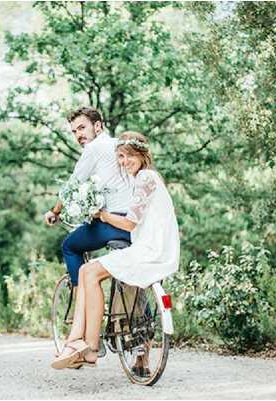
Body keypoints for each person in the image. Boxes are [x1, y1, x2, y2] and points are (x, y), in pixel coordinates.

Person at [51, 131, 180, 370]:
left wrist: (101, 215)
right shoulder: (148, 178)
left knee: (88, 272)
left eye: (129, 155)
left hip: (149, 251)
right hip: (154, 248)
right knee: (89, 271)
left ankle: (89, 347)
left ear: (142, 154)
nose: (124, 161)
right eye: (120, 156)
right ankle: (86, 345)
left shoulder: (146, 178)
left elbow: (129, 223)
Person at [44, 107, 133, 290]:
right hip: (134, 223)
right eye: (75, 131)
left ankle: (81, 300)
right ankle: (142, 315)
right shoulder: (120, 145)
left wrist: (55, 211)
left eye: (82, 128)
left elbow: (72, 186)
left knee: (69, 246)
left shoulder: (94, 148)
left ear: (98, 126)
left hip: (113, 224)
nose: (78, 135)